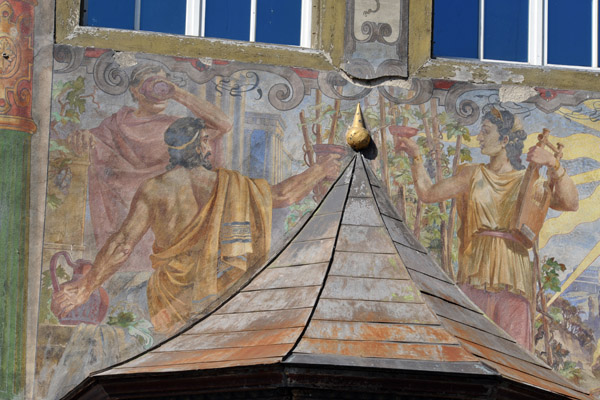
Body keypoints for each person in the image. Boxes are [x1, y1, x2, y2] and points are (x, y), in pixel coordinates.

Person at [54, 117, 342, 334]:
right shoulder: (231, 183)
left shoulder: (154, 189)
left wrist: (87, 286)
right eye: (206, 140)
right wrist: (320, 169)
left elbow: (122, 244)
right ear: (199, 145)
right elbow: (283, 195)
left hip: (169, 297)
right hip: (222, 292)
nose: (209, 146)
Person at [397, 108, 579, 350]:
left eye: (485, 131)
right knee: (472, 347)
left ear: (505, 140)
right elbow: (428, 193)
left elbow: (570, 203)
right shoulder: (472, 174)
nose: (479, 137)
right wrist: (415, 155)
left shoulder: (529, 182)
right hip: (475, 271)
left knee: (515, 353)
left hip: (513, 276)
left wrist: (554, 164)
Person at [68, 64, 232, 272]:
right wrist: (80, 137)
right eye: (149, 82)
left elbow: (224, 124)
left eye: (162, 83)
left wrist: (176, 92)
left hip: (167, 218)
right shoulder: (115, 125)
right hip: (126, 218)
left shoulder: (178, 128)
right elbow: (89, 145)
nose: (157, 91)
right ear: (135, 90)